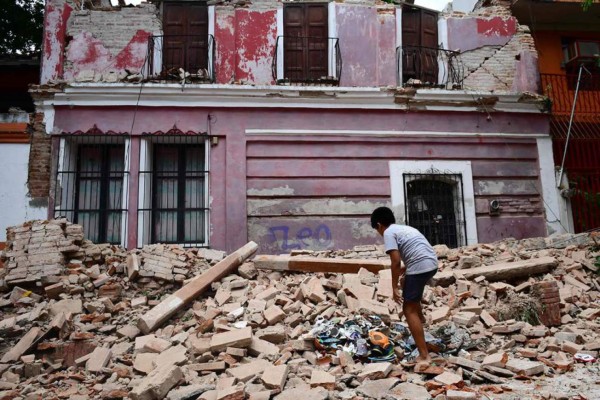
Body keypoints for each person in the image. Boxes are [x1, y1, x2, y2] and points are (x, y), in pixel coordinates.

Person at [370, 206, 438, 372]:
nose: (379, 234)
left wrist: (393, 287)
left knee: (408, 310)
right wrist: (403, 273)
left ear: (379, 225)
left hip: (420, 265)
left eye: (377, 230)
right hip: (431, 262)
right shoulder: (405, 228)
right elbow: (414, 252)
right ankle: (420, 318)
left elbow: (395, 261)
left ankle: (424, 355)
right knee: (406, 281)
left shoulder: (388, 233)